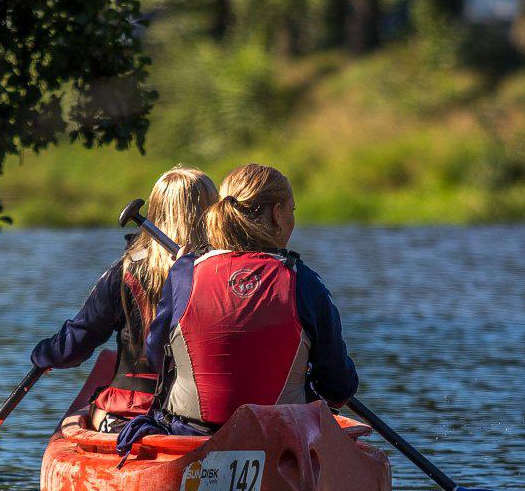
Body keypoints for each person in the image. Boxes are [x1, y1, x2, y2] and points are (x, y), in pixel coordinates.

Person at [134, 163, 358, 437]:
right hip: (280, 439)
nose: (292, 219)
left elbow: (155, 356)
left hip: (191, 434)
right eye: (292, 210)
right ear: (277, 213)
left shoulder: (184, 273)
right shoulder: (305, 281)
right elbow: (339, 388)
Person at [30, 166, 217, 432]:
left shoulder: (125, 272)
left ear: (156, 212)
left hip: (133, 411)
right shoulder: (225, 272)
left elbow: (77, 343)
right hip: (202, 415)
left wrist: (44, 354)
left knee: (97, 406)